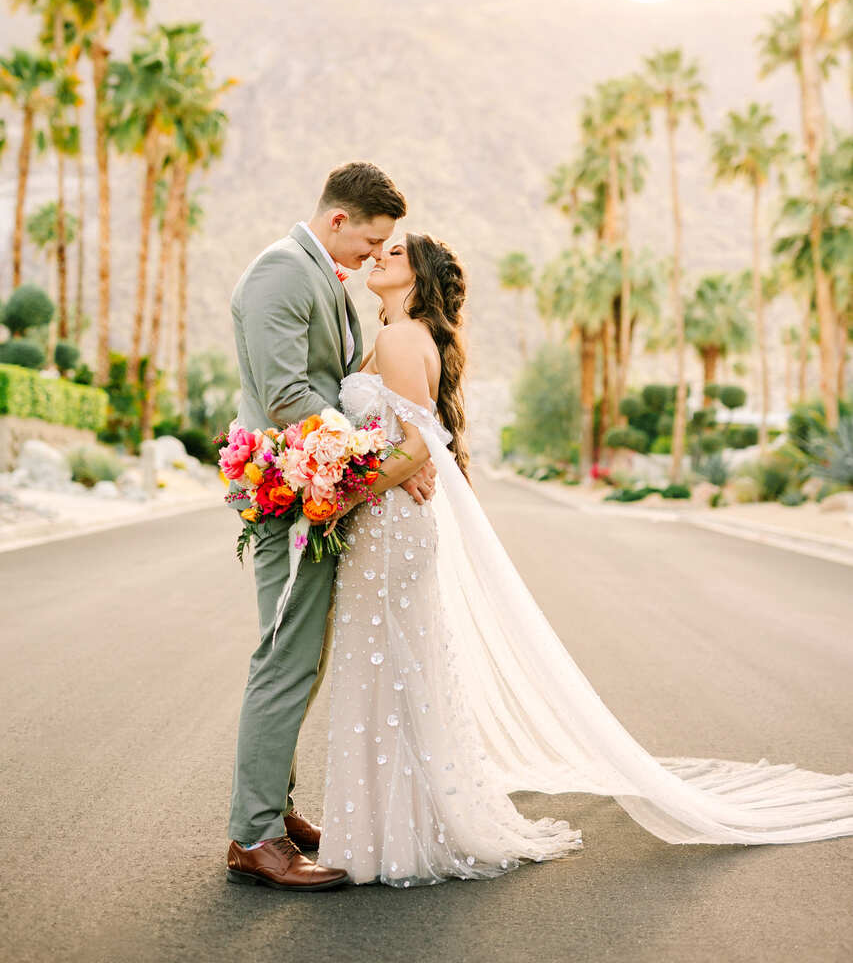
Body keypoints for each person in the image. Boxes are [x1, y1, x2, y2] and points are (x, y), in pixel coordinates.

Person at [317, 232, 853, 887]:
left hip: (391, 530)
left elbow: (420, 439)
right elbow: (405, 442)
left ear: (419, 277)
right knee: (395, 671)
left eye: (394, 254)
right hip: (390, 525)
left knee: (388, 669)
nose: (379, 258)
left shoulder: (403, 340)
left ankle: (399, 832)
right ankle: (399, 827)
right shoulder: (398, 334)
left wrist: (339, 496)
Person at [225, 162, 436, 892]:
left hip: (316, 488)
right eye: (368, 241)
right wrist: (385, 456)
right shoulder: (282, 274)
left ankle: (272, 813)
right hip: (289, 494)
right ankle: (253, 835)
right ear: (338, 220)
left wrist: (401, 453)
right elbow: (287, 396)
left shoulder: (329, 281)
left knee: (301, 657)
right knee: (285, 657)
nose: (373, 256)